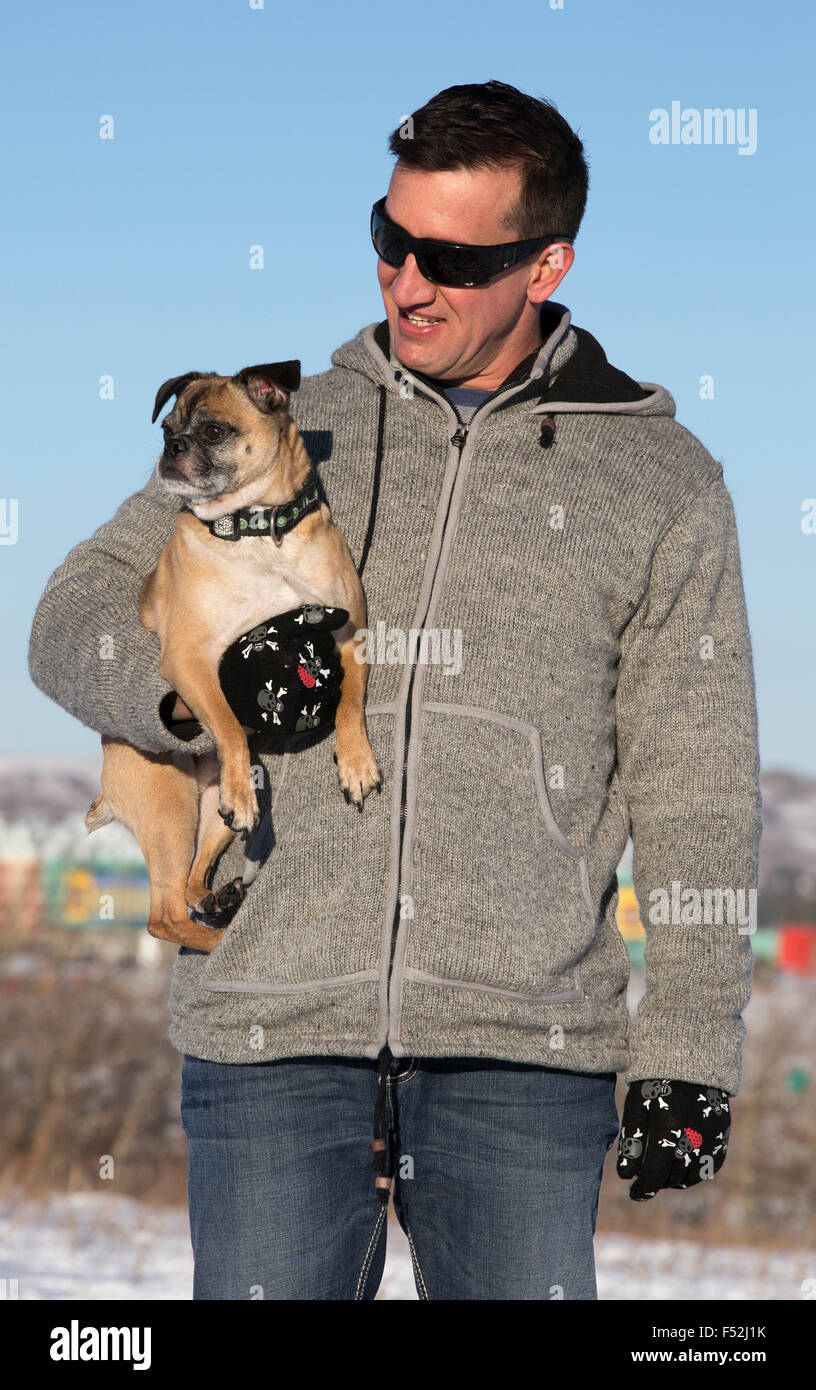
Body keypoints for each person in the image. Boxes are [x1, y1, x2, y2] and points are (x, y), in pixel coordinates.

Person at [28, 80, 761, 1300]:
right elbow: (69, 615)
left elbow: (698, 778)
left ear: (547, 262)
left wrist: (688, 1049)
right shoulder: (278, 427)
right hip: (270, 1028)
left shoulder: (661, 479)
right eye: (390, 238)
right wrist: (184, 694)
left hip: (524, 1057)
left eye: (453, 258)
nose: (408, 282)